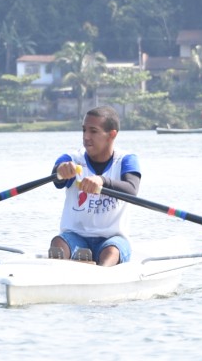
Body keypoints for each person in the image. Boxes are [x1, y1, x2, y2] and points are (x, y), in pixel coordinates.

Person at [48, 106, 141, 266]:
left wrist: (102, 181)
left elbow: (131, 191)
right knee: (58, 243)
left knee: (111, 251)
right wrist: (61, 171)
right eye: (84, 130)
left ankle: (99, 275)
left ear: (111, 135)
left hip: (113, 239)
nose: (86, 137)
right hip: (76, 236)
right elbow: (57, 180)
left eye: (93, 131)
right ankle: (61, 270)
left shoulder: (126, 160)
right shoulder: (73, 159)